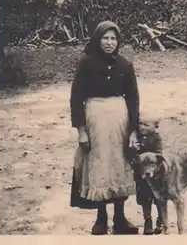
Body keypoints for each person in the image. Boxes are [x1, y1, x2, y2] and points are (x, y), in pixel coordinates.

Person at [69, 20, 141, 235]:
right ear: (97, 39)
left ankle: (120, 219)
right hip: (95, 119)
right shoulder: (86, 64)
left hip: (120, 119)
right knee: (99, 165)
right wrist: (81, 129)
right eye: (105, 38)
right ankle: (101, 219)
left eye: (113, 38)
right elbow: (76, 98)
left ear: (118, 42)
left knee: (119, 164)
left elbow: (134, 99)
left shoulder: (125, 65)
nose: (109, 43)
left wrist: (134, 130)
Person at [128, 120, 164, 235]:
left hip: (155, 175)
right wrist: (133, 150)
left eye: (146, 125)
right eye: (140, 124)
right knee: (144, 199)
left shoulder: (156, 137)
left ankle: (161, 219)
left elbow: (159, 157)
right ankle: (147, 221)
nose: (142, 127)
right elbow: (132, 159)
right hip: (141, 176)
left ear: (155, 126)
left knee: (158, 199)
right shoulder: (135, 137)